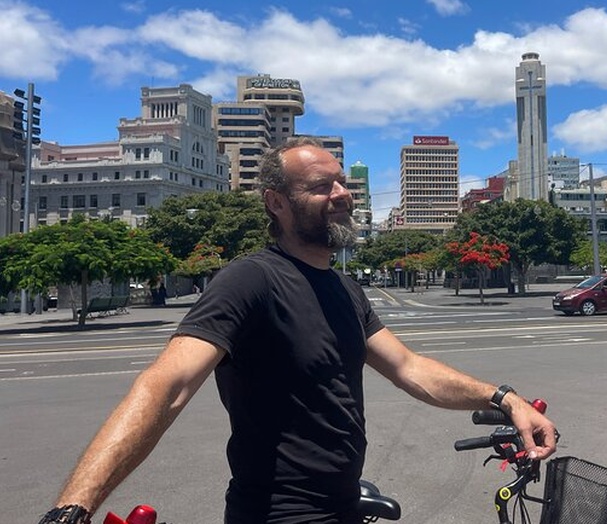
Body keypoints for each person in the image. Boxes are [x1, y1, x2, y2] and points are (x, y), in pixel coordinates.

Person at [38, 137, 557, 524]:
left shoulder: (343, 288)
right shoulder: (249, 280)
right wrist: (74, 507)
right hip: (278, 513)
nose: (341, 194)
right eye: (320, 187)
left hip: (342, 503)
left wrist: (503, 396)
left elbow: (410, 368)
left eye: (342, 183)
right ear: (276, 203)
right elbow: (166, 385)